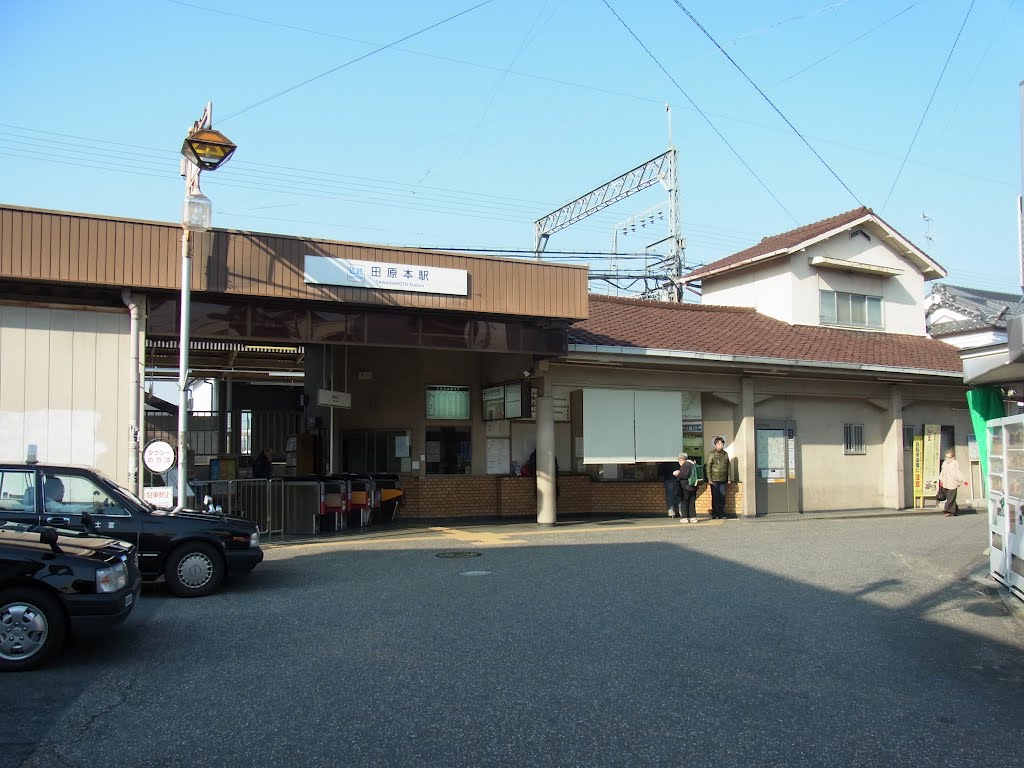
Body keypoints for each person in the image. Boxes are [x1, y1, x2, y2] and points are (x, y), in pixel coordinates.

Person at [706, 436, 731, 519]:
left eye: (722, 443)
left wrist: (729, 478)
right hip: (714, 479)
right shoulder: (711, 453)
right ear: (715, 445)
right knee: (715, 497)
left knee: (722, 497)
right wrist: (709, 478)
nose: (721, 445)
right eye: (719, 443)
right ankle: (715, 513)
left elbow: (728, 466)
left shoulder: (725, 454)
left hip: (723, 479)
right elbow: (708, 466)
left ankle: (721, 512)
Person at [938, 448, 966, 517]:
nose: (947, 458)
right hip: (945, 482)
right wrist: (941, 480)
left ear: (953, 457)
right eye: (946, 457)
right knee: (950, 498)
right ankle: (956, 511)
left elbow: (958, 473)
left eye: (949, 457)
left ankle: (947, 510)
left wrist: (963, 480)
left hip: (953, 483)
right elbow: (942, 472)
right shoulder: (944, 463)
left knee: (950, 498)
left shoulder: (954, 463)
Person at [672, 452, 698, 523]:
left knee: (684, 501)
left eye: (679, 461)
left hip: (685, 486)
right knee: (692, 502)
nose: (679, 463)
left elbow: (683, 475)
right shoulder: (693, 463)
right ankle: (693, 517)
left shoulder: (685, 464)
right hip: (693, 486)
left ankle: (685, 517)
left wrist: (677, 473)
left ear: (681, 459)